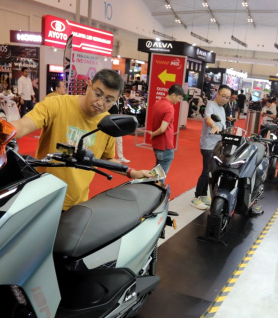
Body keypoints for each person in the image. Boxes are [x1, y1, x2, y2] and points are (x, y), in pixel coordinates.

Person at [11, 69, 150, 211]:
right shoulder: (57, 104)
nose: (100, 102)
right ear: (89, 85)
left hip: (76, 203)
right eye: (98, 94)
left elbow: (107, 159)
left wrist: (132, 173)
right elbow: (23, 125)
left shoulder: (107, 122)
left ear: (116, 100)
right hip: (41, 197)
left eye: (108, 100)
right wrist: (3, 131)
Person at [191, 84, 230, 209]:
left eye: (227, 98)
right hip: (208, 145)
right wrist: (214, 126)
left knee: (211, 171)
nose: (225, 99)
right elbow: (208, 119)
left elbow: (222, 124)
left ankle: (203, 195)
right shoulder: (211, 105)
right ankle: (196, 197)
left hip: (217, 144)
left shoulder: (222, 109)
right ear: (217, 94)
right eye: (223, 96)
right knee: (206, 171)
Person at [148, 83, 185, 177]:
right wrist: (153, 134)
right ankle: (149, 183)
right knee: (160, 174)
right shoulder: (169, 107)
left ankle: (147, 182)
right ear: (173, 95)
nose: (179, 101)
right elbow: (162, 129)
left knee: (157, 170)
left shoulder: (158, 103)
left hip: (158, 144)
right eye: (179, 98)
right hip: (165, 145)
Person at [107, 89, 130, 163]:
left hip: (117, 123)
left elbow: (121, 110)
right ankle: (106, 157)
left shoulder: (121, 100)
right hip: (109, 123)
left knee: (119, 140)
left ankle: (120, 157)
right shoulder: (109, 100)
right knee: (108, 141)